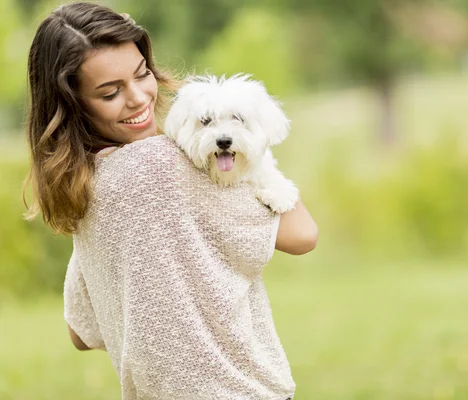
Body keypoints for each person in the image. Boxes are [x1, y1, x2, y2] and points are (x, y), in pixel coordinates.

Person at [24, 3, 318, 399]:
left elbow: (80, 331)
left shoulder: (85, 186)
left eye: (142, 74)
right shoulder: (161, 164)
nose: (138, 97)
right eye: (110, 92)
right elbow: (302, 234)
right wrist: (260, 156)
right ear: (72, 104)